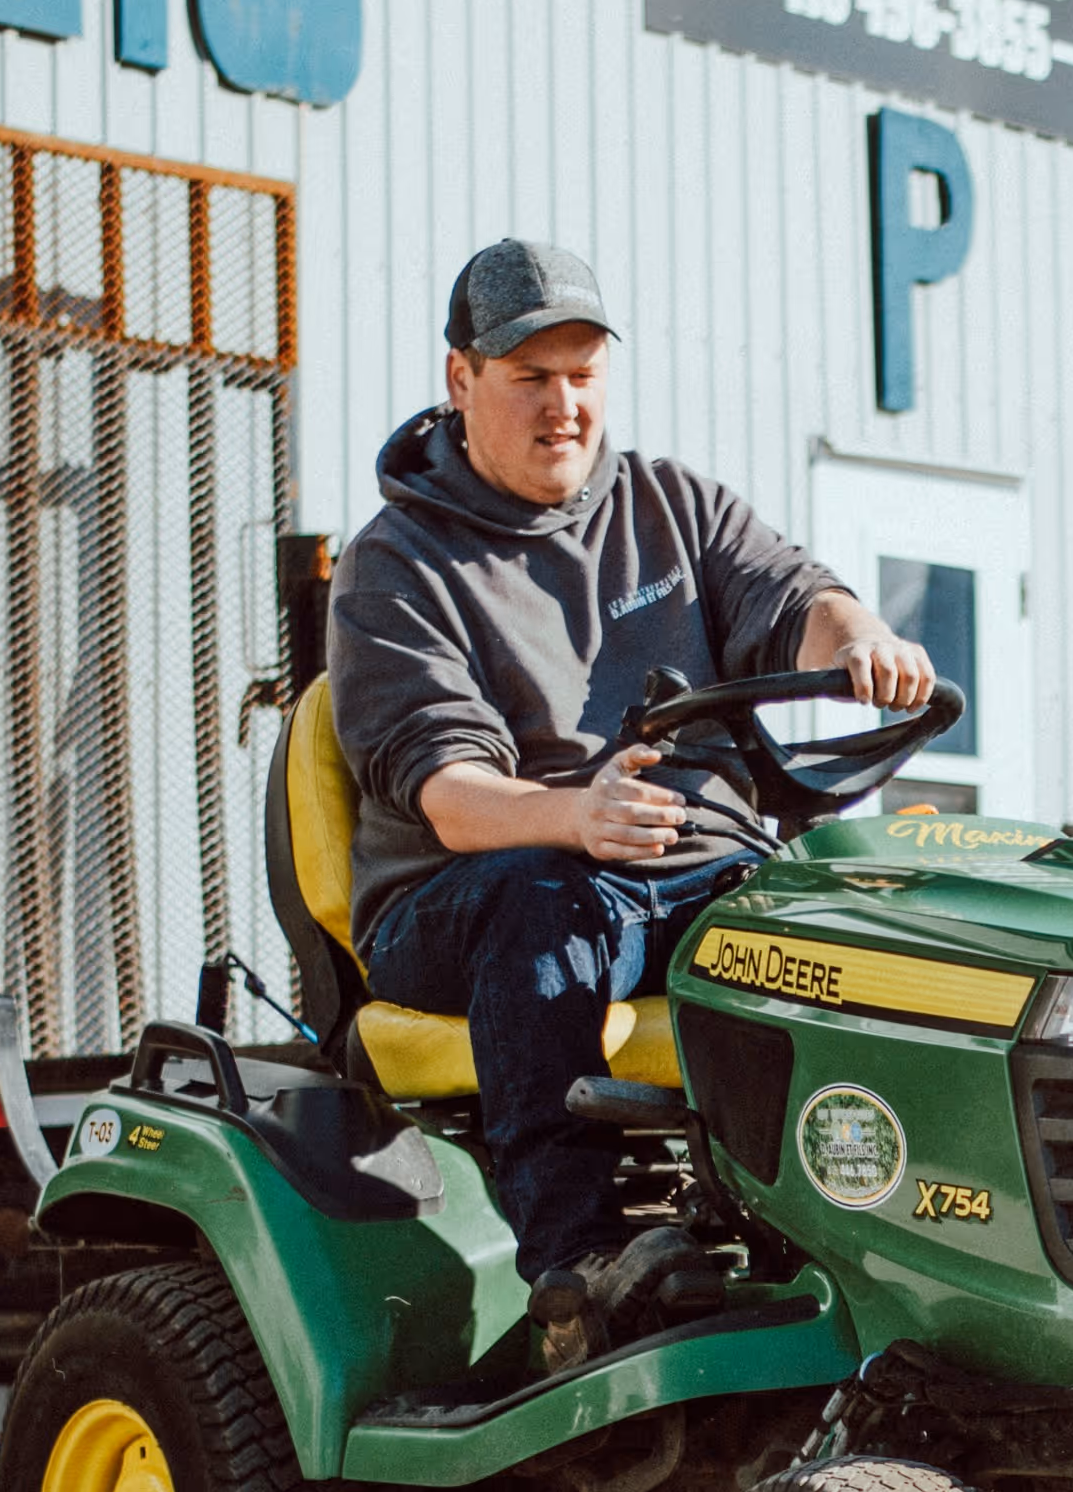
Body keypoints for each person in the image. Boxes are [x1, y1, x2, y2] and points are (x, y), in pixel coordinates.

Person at [326, 239, 933, 1372]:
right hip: (467, 893)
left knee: (854, 917)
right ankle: (577, 1264)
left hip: (683, 865)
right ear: (461, 381)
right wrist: (571, 814)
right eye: (531, 378)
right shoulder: (396, 564)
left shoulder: (671, 504)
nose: (565, 406)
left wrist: (861, 641)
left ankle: (874, 1231)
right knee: (546, 902)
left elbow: (791, 594)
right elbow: (450, 793)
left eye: (583, 373)